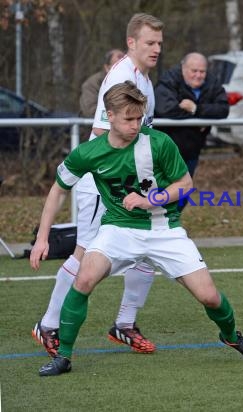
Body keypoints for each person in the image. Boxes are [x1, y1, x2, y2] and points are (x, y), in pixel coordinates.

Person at [30, 81, 243, 377]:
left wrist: (149, 199)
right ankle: (63, 357)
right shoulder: (89, 152)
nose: (135, 125)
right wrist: (42, 239)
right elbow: (58, 189)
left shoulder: (158, 143)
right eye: (128, 118)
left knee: (209, 296)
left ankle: (232, 335)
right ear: (110, 115)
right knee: (83, 280)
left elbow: (185, 185)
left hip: (164, 229)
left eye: (138, 118)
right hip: (118, 228)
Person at [32, 13, 164, 358]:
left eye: (160, 43)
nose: (156, 49)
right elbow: (103, 137)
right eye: (150, 43)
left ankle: (124, 324)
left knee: (150, 244)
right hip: (102, 182)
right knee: (85, 254)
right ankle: (48, 324)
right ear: (131, 43)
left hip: (131, 180)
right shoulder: (119, 78)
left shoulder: (144, 79)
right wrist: (123, 182)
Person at [155, 52, 229, 177]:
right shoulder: (168, 81)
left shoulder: (212, 82)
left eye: (202, 71)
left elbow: (223, 109)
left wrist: (196, 109)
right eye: (194, 71)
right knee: (164, 193)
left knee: (184, 191)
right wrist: (201, 120)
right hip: (167, 151)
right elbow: (165, 110)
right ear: (183, 68)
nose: (198, 75)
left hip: (192, 151)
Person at [79, 49, 125, 117]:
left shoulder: (132, 81)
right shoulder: (92, 84)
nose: (123, 69)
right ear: (107, 67)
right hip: (92, 126)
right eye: (119, 66)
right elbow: (90, 111)